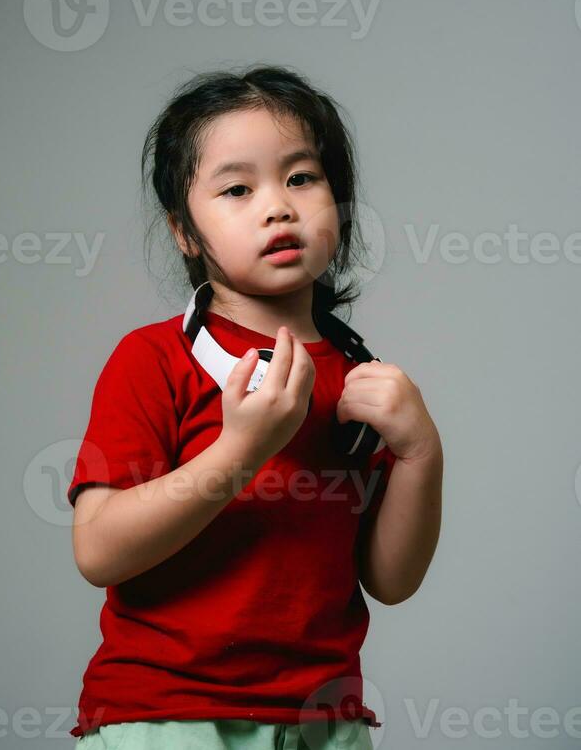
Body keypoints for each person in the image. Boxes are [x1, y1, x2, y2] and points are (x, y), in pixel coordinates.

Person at [67, 65, 444, 750]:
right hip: (167, 718)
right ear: (184, 231)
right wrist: (239, 452)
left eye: (302, 178)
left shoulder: (360, 379)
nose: (278, 207)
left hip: (324, 723)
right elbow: (98, 550)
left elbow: (390, 579)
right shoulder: (154, 360)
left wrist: (421, 455)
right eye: (238, 189)